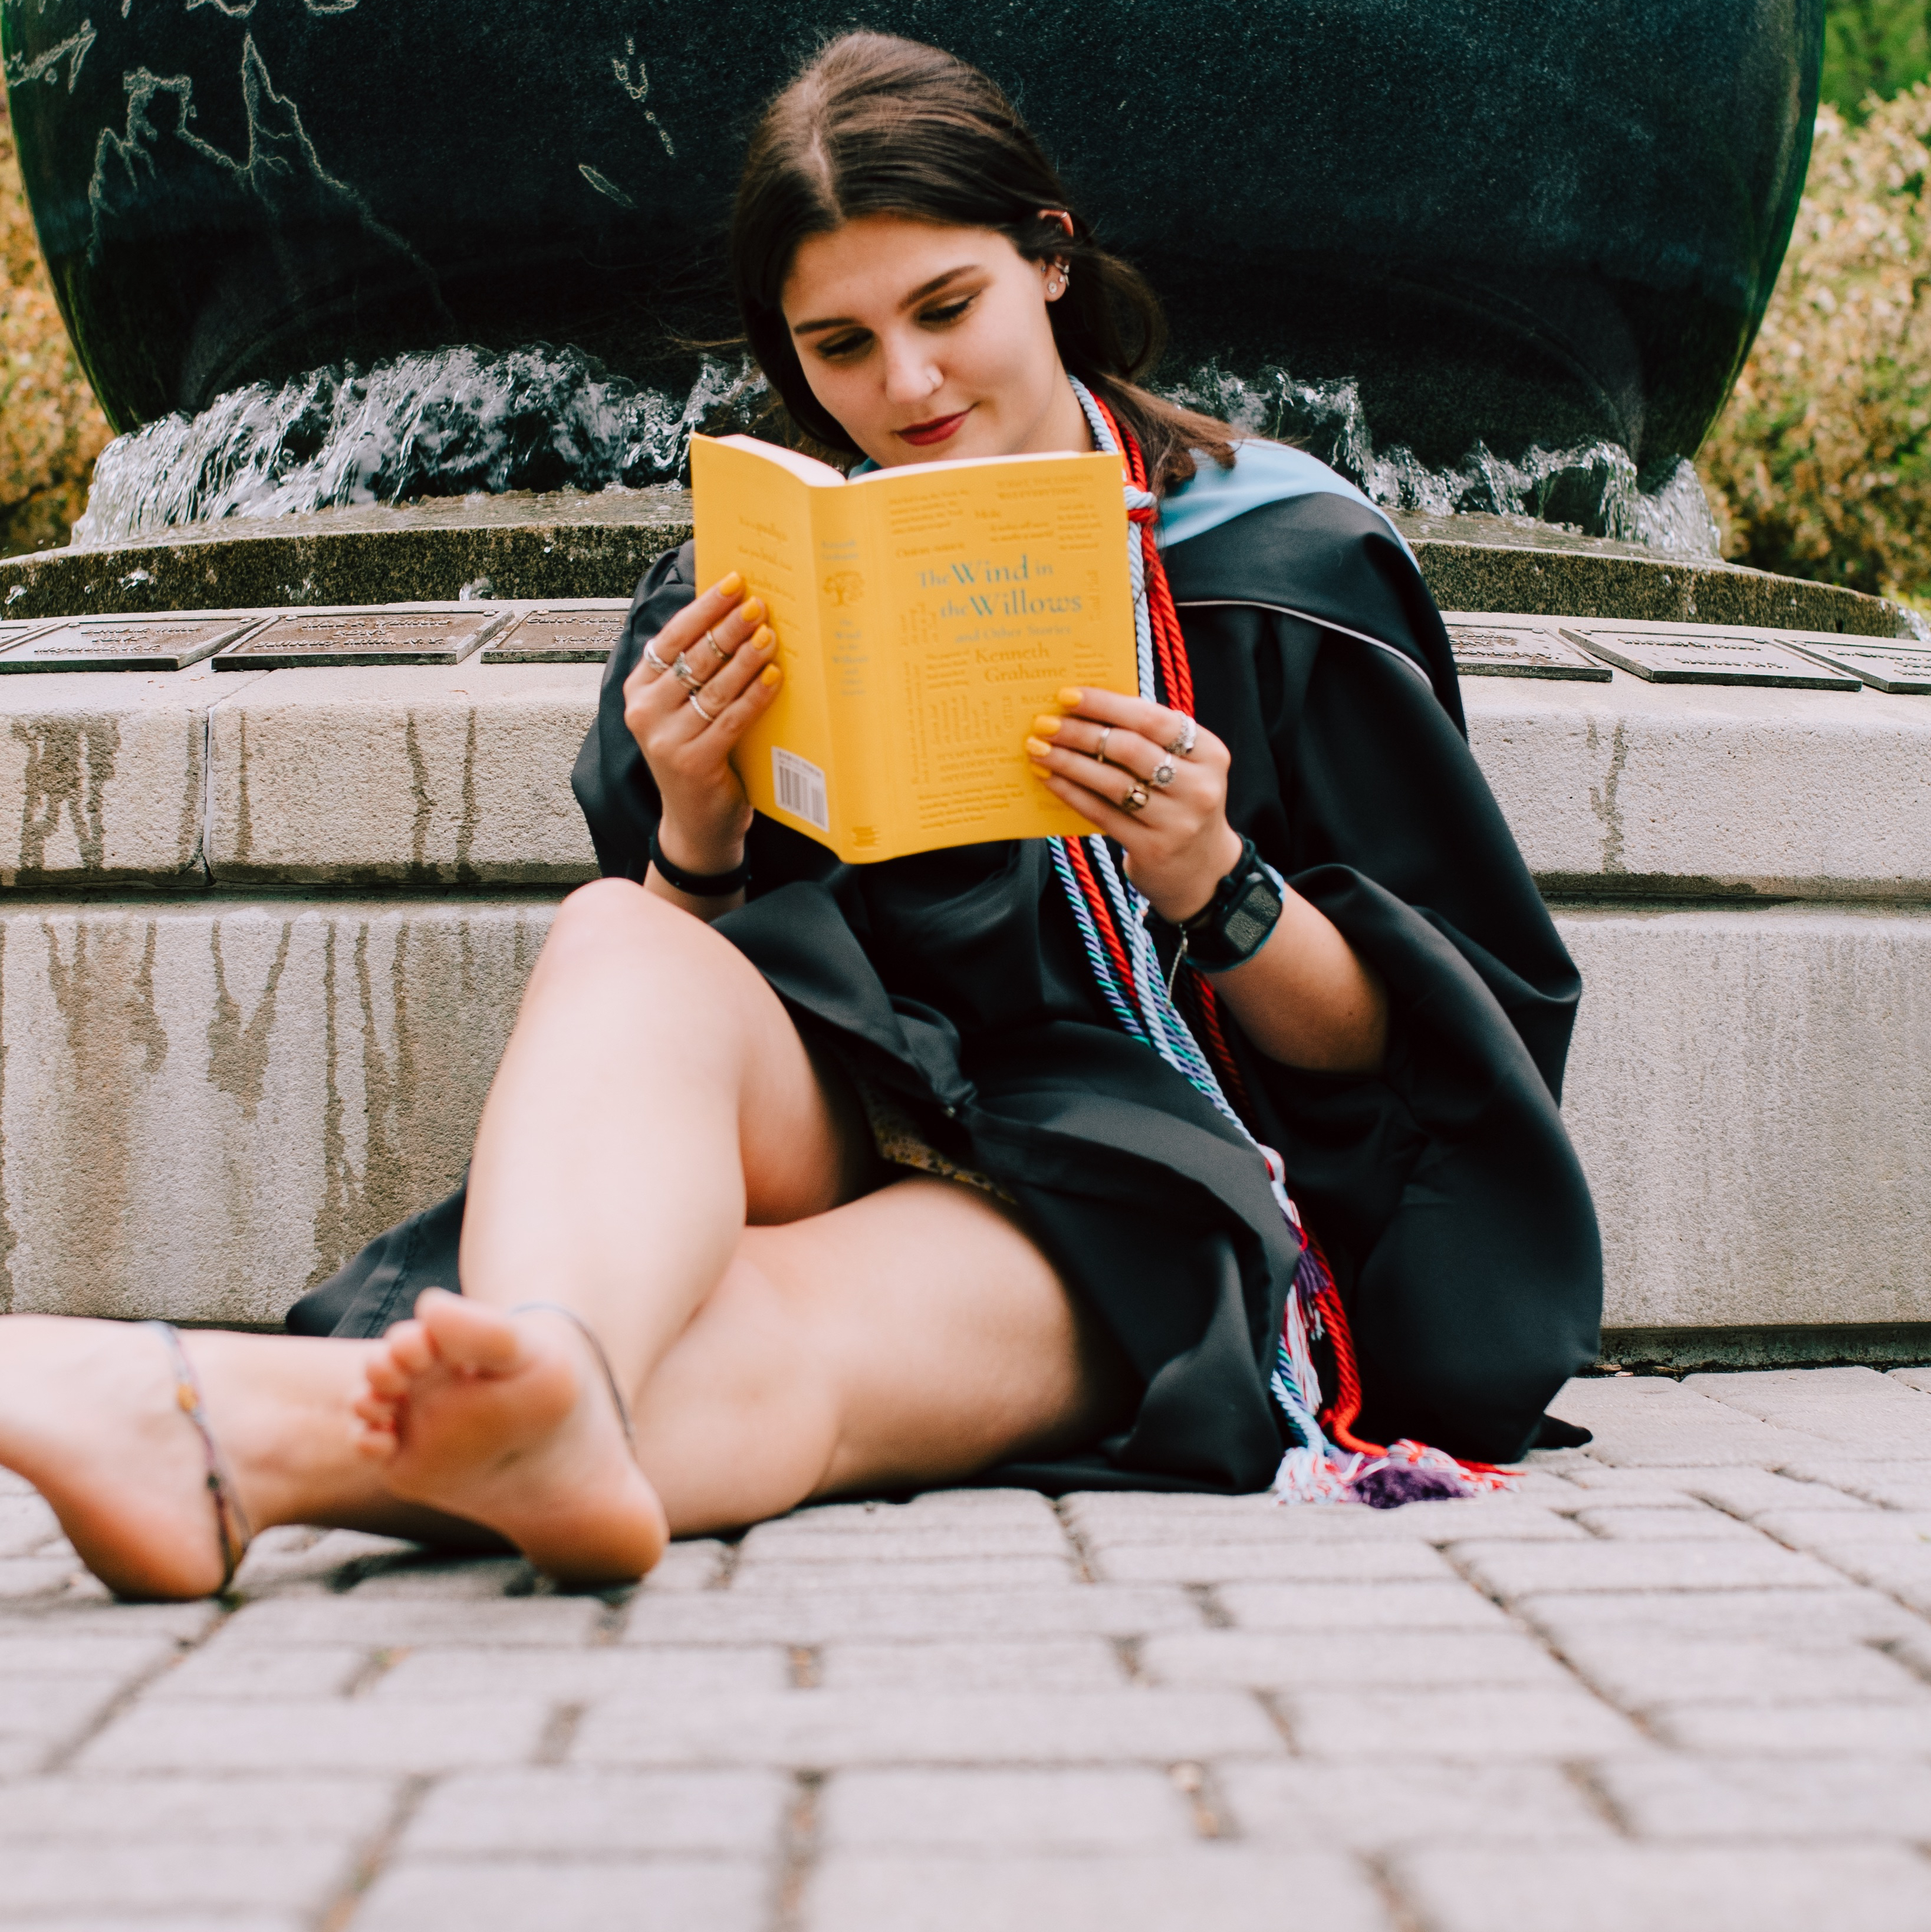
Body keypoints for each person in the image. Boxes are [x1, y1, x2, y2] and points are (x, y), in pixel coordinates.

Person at [0, 32, 1598, 1602]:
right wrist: (692, 817)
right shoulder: (760, 574)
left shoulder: (1278, 567)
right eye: (837, 347)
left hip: (1147, 1175)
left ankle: (234, 1432)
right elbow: (678, 1004)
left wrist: (1214, 878)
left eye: (945, 309)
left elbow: (1416, 1061)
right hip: (849, 1102)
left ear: (1048, 260)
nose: (904, 386)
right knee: (618, 925)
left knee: (782, 1332)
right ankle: (536, 1368)